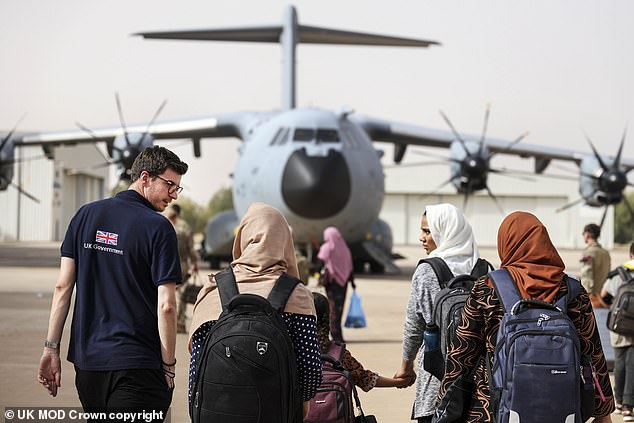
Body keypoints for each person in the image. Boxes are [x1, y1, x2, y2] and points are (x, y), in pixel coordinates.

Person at [37, 146, 189, 421]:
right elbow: (167, 305)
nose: (174, 194)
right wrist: (168, 365)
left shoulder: (84, 216)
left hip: (89, 367)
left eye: (178, 188)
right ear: (145, 177)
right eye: (170, 185)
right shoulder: (159, 228)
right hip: (139, 368)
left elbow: (62, 287)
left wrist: (51, 348)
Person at [436, 211, 614, 422]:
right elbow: (593, 355)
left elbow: (461, 355)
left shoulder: (487, 288)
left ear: (506, 243)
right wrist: (603, 412)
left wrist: (445, 408)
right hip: (562, 409)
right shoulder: (572, 291)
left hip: (492, 410)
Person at [188, 202, 322, 419]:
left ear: (243, 237)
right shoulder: (297, 294)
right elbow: (310, 367)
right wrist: (302, 402)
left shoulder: (213, 289)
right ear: (284, 241)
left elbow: (197, 365)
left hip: (216, 412)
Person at [394, 203, 481, 423]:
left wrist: (406, 367)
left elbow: (414, 326)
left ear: (444, 230)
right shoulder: (485, 270)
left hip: (436, 379)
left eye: (427, 231)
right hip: (478, 385)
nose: (421, 238)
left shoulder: (427, 270)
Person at [313, 291, 412, 390]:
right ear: (329, 317)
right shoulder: (338, 354)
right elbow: (365, 379)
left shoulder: (299, 352)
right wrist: (399, 382)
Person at [601, 241, 634, 420]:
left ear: (630, 254)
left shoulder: (618, 273)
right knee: (632, 363)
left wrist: (614, 309)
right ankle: (629, 406)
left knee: (620, 361)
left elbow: (604, 295)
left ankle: (619, 402)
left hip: (619, 325)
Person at [164, 203, 199, 333]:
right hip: (182, 265)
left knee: (166, 293)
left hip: (166, 263)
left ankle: (167, 322)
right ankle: (179, 323)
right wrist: (194, 263)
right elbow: (191, 249)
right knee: (181, 295)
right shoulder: (185, 227)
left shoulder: (163, 223)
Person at [316, 226, 354, 343]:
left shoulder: (327, 248)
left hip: (332, 283)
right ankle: (338, 333)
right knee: (339, 308)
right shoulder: (344, 248)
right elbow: (350, 266)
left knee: (332, 309)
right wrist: (352, 282)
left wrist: (318, 274)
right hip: (343, 282)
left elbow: (319, 264)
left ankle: (335, 333)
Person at [580, 222, 611, 309]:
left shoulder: (588, 252)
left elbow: (586, 275)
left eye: (583, 233)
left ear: (587, 234)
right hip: (604, 296)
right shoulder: (606, 253)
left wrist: (585, 295)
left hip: (593, 298)